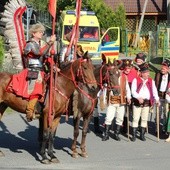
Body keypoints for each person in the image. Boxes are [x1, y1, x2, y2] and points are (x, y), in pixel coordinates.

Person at [23, 23, 56, 121]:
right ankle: (30, 111)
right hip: (32, 70)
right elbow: (39, 53)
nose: (42, 33)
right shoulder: (30, 44)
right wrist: (50, 42)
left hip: (41, 70)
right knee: (37, 89)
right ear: (33, 33)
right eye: (40, 32)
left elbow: (45, 56)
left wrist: (53, 65)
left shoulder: (39, 44)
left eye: (42, 32)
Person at [131, 63, 160, 142]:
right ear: (142, 73)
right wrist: (138, 97)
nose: (148, 74)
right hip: (137, 102)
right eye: (146, 73)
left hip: (147, 103)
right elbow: (133, 91)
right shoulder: (135, 80)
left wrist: (157, 99)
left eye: (148, 72)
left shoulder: (151, 81)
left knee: (144, 119)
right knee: (135, 118)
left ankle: (142, 135)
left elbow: (154, 91)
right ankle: (133, 135)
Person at [102, 68, 131, 141]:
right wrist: (104, 99)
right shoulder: (110, 77)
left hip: (121, 100)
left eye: (120, 70)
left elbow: (127, 88)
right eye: (118, 70)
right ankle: (106, 134)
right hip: (112, 100)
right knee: (108, 117)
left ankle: (116, 134)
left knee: (120, 118)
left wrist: (128, 97)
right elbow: (105, 88)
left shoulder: (124, 78)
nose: (119, 71)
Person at [154, 60, 170, 133]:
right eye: (162, 67)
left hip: (166, 97)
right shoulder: (158, 74)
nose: (162, 69)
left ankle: (164, 127)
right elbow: (154, 85)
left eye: (164, 68)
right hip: (159, 96)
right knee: (158, 113)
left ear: (168, 69)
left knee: (166, 113)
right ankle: (157, 127)